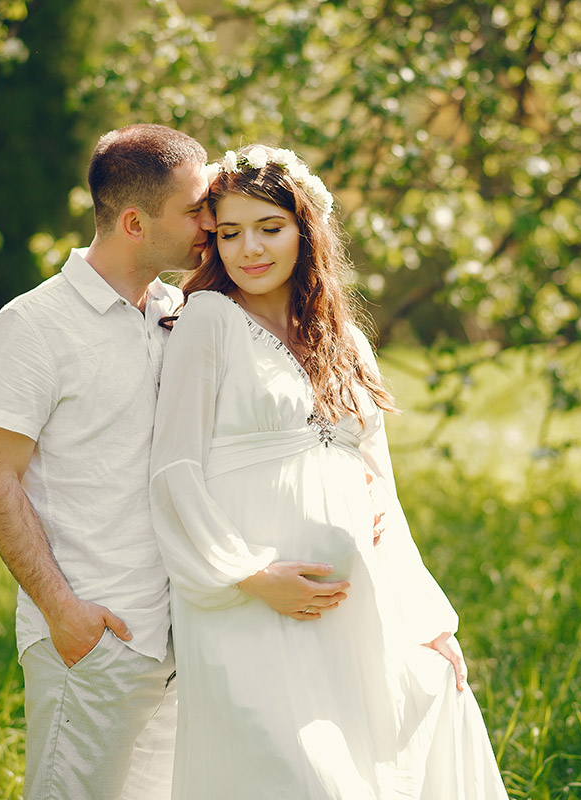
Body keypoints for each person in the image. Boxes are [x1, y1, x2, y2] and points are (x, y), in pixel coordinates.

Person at [149, 144, 509, 799]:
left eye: (269, 227)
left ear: (304, 230)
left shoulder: (342, 341)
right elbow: (174, 472)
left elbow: (382, 492)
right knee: (302, 781)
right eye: (229, 233)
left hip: (357, 613)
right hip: (247, 608)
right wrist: (249, 576)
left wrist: (429, 619)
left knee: (431, 711)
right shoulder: (208, 323)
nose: (249, 249)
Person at [0, 123, 215, 800]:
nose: (210, 222)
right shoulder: (33, 326)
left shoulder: (180, 313)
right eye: (195, 208)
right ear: (136, 222)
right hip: (94, 643)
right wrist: (63, 614)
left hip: (178, 645)